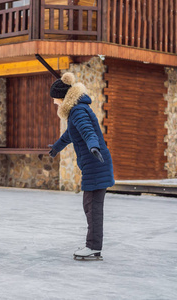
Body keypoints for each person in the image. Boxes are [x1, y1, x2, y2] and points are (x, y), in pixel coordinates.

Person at [48, 72, 115, 260]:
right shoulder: (77, 110)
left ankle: (93, 247)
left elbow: (87, 131)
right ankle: (93, 246)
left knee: (92, 206)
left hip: (96, 164)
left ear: (62, 97)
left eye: (55, 99)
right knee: (90, 206)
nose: (54, 103)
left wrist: (93, 146)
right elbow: (71, 134)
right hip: (94, 164)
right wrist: (56, 147)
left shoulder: (77, 111)